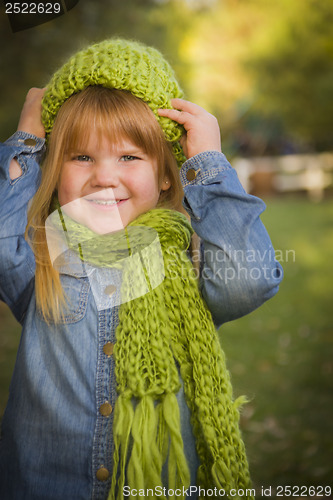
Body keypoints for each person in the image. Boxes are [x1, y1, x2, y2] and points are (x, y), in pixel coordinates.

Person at [0, 39, 283, 500]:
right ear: (56, 166)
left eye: (129, 157)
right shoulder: (40, 254)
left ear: (167, 175)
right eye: (82, 157)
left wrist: (206, 162)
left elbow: (249, 280)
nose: (104, 176)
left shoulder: (190, 261)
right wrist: (27, 139)